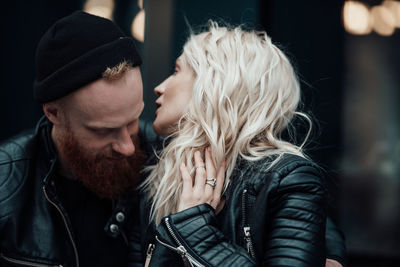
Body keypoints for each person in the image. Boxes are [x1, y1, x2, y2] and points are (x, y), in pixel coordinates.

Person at [129, 22, 346, 266]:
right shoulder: (161, 164)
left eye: (177, 71)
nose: (160, 88)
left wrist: (193, 226)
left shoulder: (285, 178)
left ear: (214, 82)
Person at [0, 11, 158, 267]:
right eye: (104, 131)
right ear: (53, 113)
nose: (128, 147)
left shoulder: (167, 158)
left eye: (132, 121)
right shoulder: (5, 190)